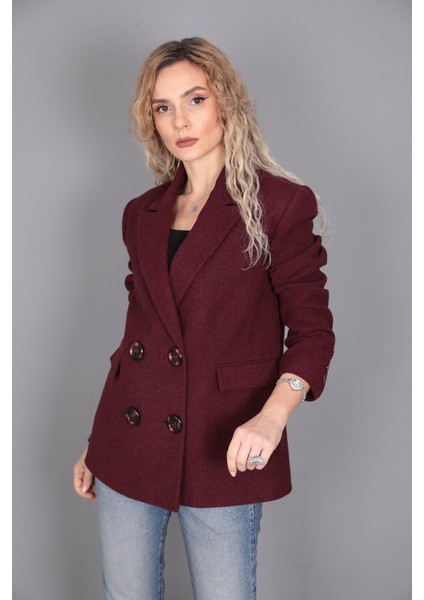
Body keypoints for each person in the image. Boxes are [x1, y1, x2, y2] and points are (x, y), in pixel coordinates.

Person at [73, 37, 335, 600]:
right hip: (131, 439)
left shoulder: (278, 204)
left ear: (226, 103)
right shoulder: (141, 214)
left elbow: (313, 332)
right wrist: (99, 440)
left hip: (225, 444)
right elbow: (138, 336)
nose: (180, 121)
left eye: (195, 99)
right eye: (163, 107)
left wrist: (271, 419)